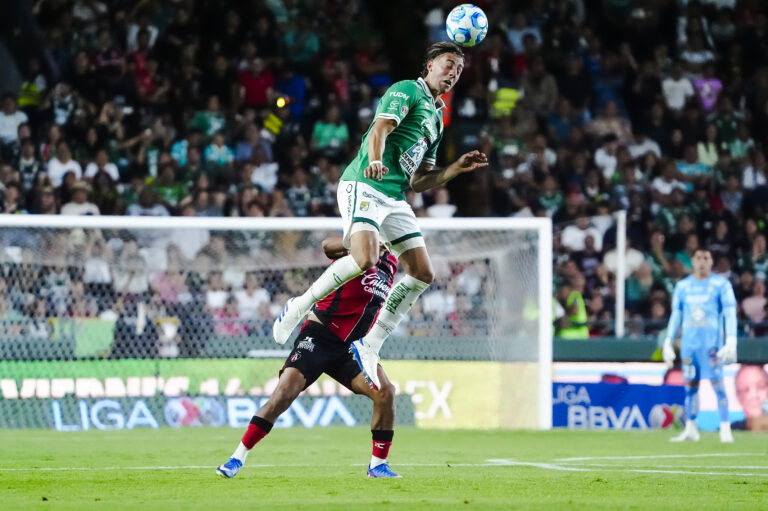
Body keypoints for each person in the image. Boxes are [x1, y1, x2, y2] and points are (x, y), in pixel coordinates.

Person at [272, 42, 488, 390]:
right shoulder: (407, 90)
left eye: (459, 70)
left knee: (422, 273)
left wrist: (454, 170)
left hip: (394, 196)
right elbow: (380, 129)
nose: (453, 73)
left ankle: (370, 344)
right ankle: (298, 306)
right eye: (448, 65)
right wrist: (374, 159)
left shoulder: (436, 119)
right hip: (363, 182)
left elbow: (419, 181)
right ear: (429, 65)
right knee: (365, 258)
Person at [218, 236, 401, 479]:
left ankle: (377, 466)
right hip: (320, 336)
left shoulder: (392, 262)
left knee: (385, 392)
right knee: (283, 395)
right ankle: (236, 457)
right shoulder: (360, 244)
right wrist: (359, 244)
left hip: (352, 347)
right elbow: (327, 246)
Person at [662, 248, 738, 443]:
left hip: (712, 345)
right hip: (689, 345)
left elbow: (730, 312)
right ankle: (691, 428)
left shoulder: (720, 284)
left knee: (718, 385)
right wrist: (668, 341)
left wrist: (731, 339)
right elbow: (676, 315)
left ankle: (725, 427)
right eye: (698, 258)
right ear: (692, 261)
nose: (702, 262)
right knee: (690, 386)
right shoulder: (683, 286)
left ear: (711, 261)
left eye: (706, 258)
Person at [731, 365, 768, 431]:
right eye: (746, 389)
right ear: (738, 397)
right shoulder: (731, 431)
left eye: (760, 387)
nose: (753, 395)